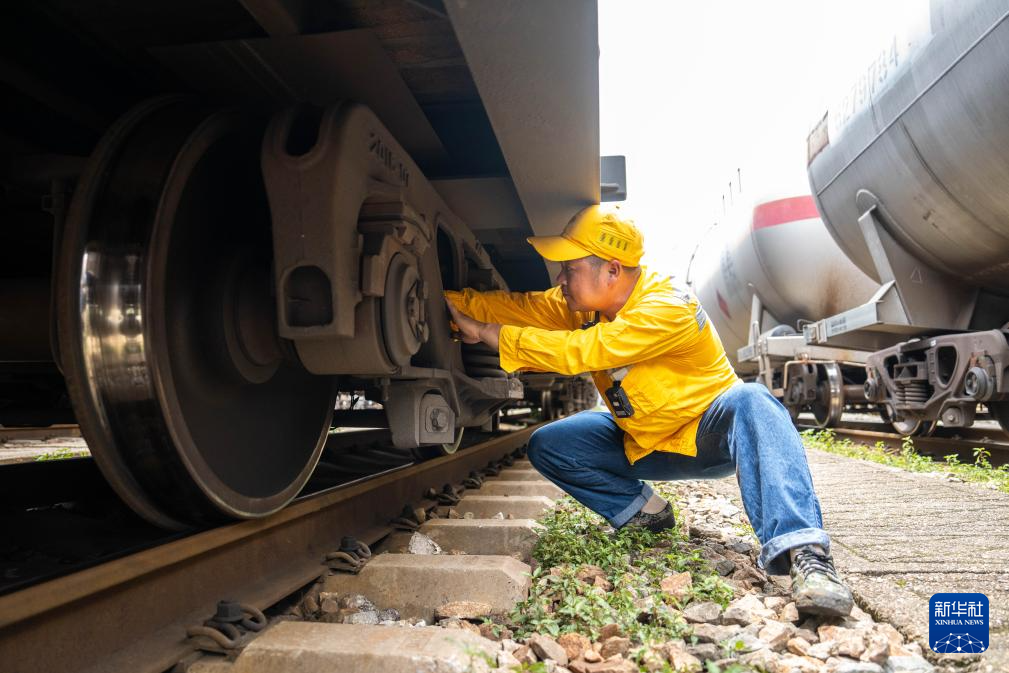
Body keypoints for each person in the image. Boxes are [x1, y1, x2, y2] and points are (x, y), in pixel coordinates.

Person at [444, 204, 854, 617]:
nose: (560, 279)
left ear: (612, 270)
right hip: (643, 441)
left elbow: (587, 350)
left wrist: (490, 335)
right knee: (550, 444)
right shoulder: (586, 306)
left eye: (569, 269)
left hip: (705, 436)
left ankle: (807, 555)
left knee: (754, 399)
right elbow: (526, 308)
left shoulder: (667, 305)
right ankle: (645, 513)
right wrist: (447, 300)